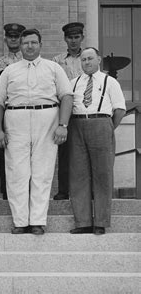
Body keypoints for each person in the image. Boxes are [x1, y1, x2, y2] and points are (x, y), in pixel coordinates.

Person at [0, 28, 73, 235]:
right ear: (20, 45)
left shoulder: (53, 68)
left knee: (42, 172)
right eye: (26, 43)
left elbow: (66, 96)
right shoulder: (10, 70)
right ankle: (20, 221)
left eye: (33, 43)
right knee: (17, 172)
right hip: (16, 120)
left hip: (47, 119)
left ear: (40, 45)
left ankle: (37, 220)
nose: (29, 46)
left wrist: (63, 125)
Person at [68, 47, 126, 235]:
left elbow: (119, 110)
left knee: (102, 174)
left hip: (101, 123)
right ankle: (83, 222)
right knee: (78, 175)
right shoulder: (73, 83)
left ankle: (100, 222)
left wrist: (107, 127)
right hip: (77, 126)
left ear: (99, 59)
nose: (87, 62)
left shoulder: (110, 82)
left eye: (90, 58)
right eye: (83, 59)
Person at [52, 22, 85, 200]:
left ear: (82, 38)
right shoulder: (57, 61)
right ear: (65, 39)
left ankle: (85, 191)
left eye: (76, 37)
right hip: (65, 111)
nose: (73, 41)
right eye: (70, 38)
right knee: (64, 152)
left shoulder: (88, 58)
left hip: (84, 110)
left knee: (83, 153)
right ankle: (63, 190)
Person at [0, 23, 26, 200]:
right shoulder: (1, 61)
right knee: (6, 153)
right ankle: (7, 192)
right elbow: (1, 86)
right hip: (8, 111)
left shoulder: (28, 59)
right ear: (5, 39)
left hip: (27, 111)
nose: (13, 39)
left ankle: (26, 192)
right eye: (10, 36)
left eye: (16, 36)